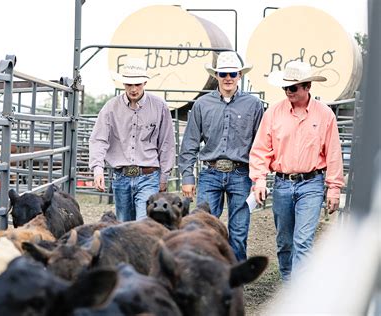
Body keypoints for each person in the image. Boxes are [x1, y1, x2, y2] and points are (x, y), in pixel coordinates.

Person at [249, 60, 344, 282]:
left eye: (292, 88)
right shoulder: (273, 113)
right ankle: (288, 281)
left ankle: (297, 292)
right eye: (285, 87)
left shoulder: (325, 115)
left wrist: (334, 188)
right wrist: (259, 180)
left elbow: (333, 153)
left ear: (307, 86)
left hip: (311, 183)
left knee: (303, 240)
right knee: (284, 241)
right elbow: (261, 149)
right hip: (282, 183)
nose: (287, 92)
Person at [179, 51, 264, 261]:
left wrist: (258, 178)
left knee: (239, 231)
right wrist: (187, 177)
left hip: (241, 173)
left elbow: (260, 145)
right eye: (223, 73)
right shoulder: (201, 104)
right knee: (203, 227)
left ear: (239, 76)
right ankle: (205, 272)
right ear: (216, 75)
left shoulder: (254, 105)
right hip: (211, 171)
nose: (228, 78)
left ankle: (236, 280)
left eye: (232, 74)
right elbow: (190, 142)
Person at [89, 57, 176, 221]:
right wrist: (97, 168)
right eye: (129, 84)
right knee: (124, 225)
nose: (133, 89)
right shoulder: (110, 108)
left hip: (149, 176)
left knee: (144, 224)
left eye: (137, 84)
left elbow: (167, 144)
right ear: (123, 84)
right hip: (121, 176)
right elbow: (98, 139)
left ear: (144, 82)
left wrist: (164, 176)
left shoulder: (159, 106)